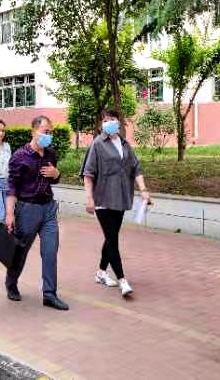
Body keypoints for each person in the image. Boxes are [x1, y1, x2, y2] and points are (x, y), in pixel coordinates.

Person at [82, 108, 152, 297]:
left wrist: (143, 190)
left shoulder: (124, 144)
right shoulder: (97, 144)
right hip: (103, 199)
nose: (109, 122)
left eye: (112, 119)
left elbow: (136, 168)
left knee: (110, 238)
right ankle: (122, 280)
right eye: (105, 120)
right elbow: (88, 174)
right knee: (112, 240)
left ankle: (101, 272)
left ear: (118, 122)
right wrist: (89, 198)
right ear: (101, 124)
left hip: (120, 198)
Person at [5, 115, 69, 311]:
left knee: (50, 251)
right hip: (28, 209)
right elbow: (12, 186)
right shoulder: (19, 156)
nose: (48, 135)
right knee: (21, 250)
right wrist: (9, 214)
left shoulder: (51, 154)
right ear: (33, 131)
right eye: (45, 131)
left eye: (50, 132)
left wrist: (57, 174)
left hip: (48, 208)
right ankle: (11, 282)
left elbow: (54, 179)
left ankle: (49, 294)